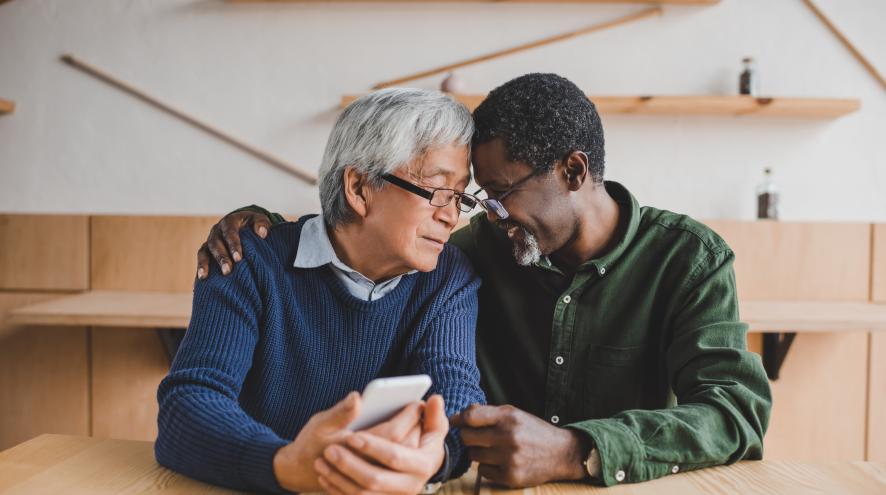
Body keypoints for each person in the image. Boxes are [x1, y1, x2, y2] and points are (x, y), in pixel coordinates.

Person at [197, 73, 772, 490]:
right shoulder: (472, 250)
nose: (475, 215)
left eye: (496, 195)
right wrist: (262, 228)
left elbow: (736, 412)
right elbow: (353, 231)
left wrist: (578, 449)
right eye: (472, 197)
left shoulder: (687, 259)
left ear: (574, 172)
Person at [156, 88, 486, 494]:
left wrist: (434, 457)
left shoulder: (448, 276)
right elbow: (188, 403)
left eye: (459, 196)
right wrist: (285, 465)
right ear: (359, 188)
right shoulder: (248, 260)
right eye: (437, 190)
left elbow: (457, 395)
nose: (451, 215)